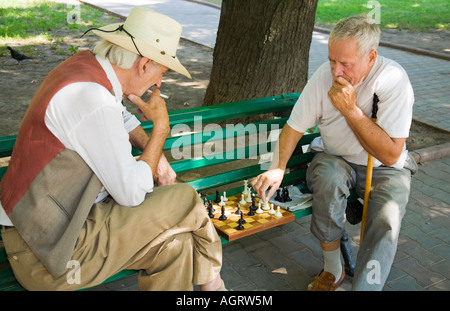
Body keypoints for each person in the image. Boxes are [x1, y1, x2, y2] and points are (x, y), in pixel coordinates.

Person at [0, 7, 224, 291]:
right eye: (161, 73)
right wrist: (161, 130)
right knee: (184, 197)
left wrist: (159, 162)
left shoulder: (86, 67)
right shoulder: (94, 101)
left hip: (52, 232)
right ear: (143, 64)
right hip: (48, 254)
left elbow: (122, 117)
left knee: (174, 245)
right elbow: (131, 194)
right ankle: (214, 287)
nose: (159, 84)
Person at [251, 14, 417, 291]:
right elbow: (294, 127)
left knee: (386, 218)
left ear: (371, 57)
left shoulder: (393, 79)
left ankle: (366, 287)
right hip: (335, 159)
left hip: (385, 168)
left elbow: (390, 154)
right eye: (332, 60)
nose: (336, 71)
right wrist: (278, 167)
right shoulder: (323, 77)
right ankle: (332, 269)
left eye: (345, 64)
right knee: (327, 176)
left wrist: (350, 110)